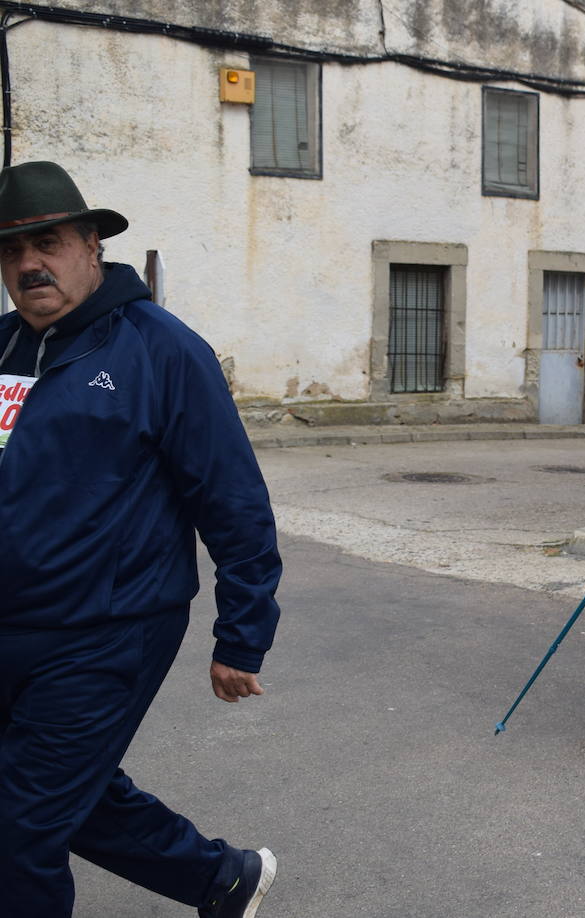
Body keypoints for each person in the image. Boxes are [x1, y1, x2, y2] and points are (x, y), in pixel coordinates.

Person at [0, 161, 281, 917]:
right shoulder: (2, 350)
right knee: (57, 793)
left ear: (91, 245)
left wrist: (243, 633)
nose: (29, 264)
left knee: (18, 832)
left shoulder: (160, 350)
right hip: (12, 625)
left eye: (48, 243)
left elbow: (232, 498)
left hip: (108, 630)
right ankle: (221, 880)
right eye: (12, 250)